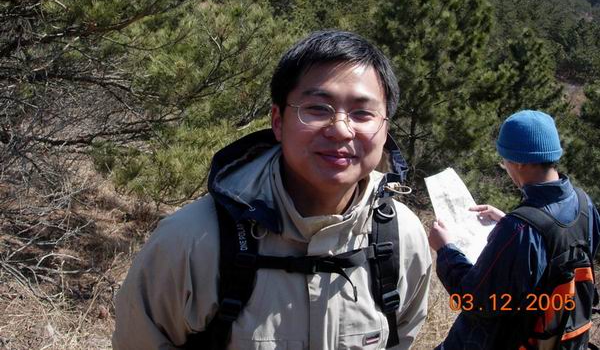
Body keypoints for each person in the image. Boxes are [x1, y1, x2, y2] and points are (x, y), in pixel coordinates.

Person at [113, 30, 432, 350]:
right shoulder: (193, 241)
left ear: (385, 128)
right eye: (318, 108)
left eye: (362, 113)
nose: (340, 130)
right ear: (278, 121)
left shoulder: (401, 239)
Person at [428, 110, 600, 349]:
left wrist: (445, 249)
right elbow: (557, 252)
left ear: (519, 162)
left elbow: (472, 299)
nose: (506, 168)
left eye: (504, 161)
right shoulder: (584, 204)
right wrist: (510, 222)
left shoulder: (520, 230)